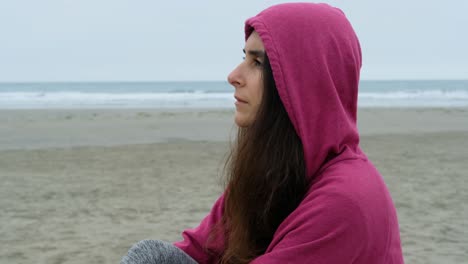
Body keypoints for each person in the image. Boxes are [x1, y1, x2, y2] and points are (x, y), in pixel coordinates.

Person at [121, 3, 404, 264]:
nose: (233, 76)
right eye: (244, 57)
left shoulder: (346, 202)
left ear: (302, 84)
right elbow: (199, 249)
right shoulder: (274, 170)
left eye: (257, 63)